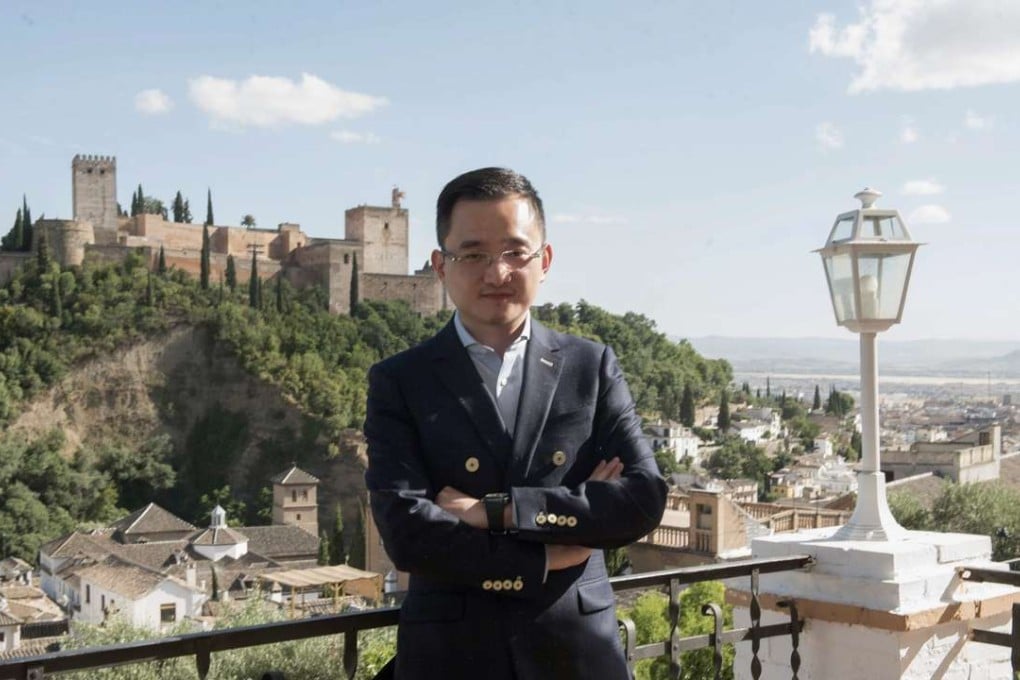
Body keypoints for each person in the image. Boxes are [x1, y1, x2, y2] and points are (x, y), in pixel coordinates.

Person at [364, 167, 667, 680]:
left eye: (515, 252)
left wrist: (495, 512)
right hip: (452, 658)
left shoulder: (590, 367)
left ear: (543, 261)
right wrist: (546, 558)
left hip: (577, 654)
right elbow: (406, 532)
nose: (497, 272)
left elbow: (641, 500)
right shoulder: (400, 380)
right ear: (440, 266)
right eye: (473, 254)